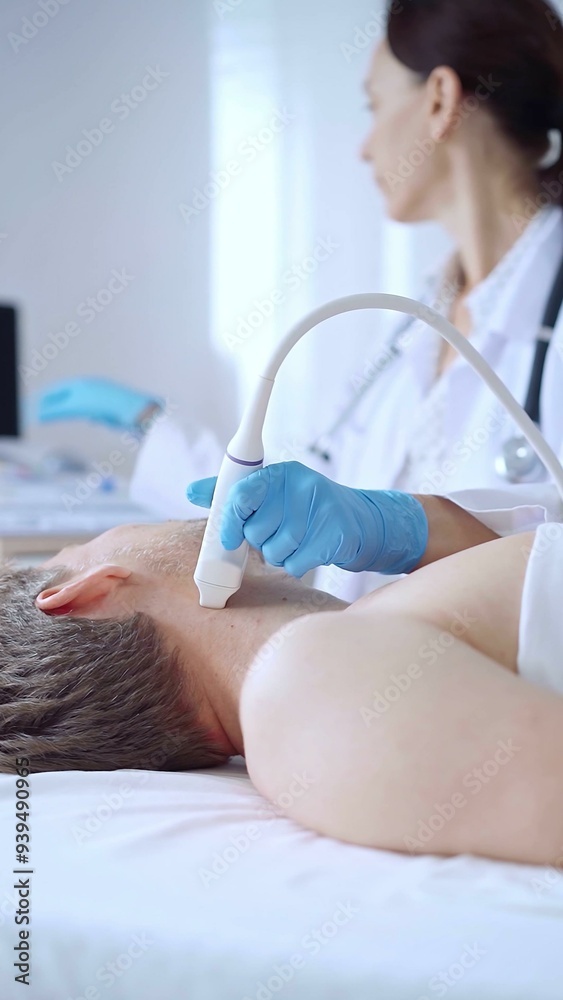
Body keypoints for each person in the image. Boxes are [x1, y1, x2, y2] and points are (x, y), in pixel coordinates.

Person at [36, 0, 563, 601]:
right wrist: (153, 428)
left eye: (373, 106)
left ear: (440, 100)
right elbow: (310, 500)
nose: (364, 147)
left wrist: (405, 530)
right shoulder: (417, 322)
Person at [1, 502, 563, 867]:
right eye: (86, 543)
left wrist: (430, 525)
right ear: (88, 592)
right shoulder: (302, 685)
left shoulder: (353, 650)